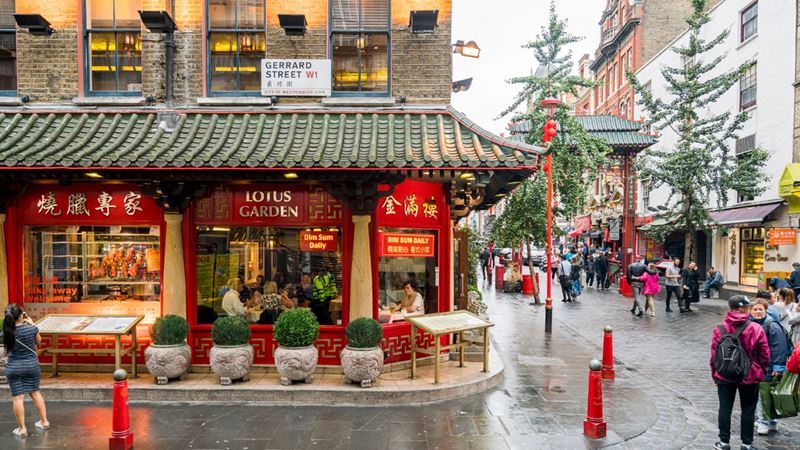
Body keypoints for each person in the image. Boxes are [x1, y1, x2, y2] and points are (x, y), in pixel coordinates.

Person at [710, 296, 770, 450]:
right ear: (743, 308)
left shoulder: (719, 328)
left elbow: (714, 355)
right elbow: (764, 355)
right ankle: (746, 444)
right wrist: (761, 370)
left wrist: (715, 374)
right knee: (748, 409)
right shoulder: (756, 328)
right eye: (749, 307)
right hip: (749, 375)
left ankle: (724, 442)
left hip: (724, 374)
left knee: (725, 408)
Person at [3, 304, 49, 437]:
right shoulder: (31, 329)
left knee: (18, 398)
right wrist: (32, 324)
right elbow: (39, 342)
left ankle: (22, 429)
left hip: (14, 367)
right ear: (22, 315)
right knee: (35, 393)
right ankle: (44, 421)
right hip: (31, 366)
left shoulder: (5, 332)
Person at [749, 299, 789, 436]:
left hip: (768, 366)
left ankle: (764, 422)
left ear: (765, 310)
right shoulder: (751, 324)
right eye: (755, 309)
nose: (758, 312)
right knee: (767, 395)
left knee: (763, 395)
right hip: (758, 366)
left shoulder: (771, 326)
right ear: (750, 311)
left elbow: (779, 348)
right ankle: (771, 421)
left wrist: (778, 367)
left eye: (761, 309)